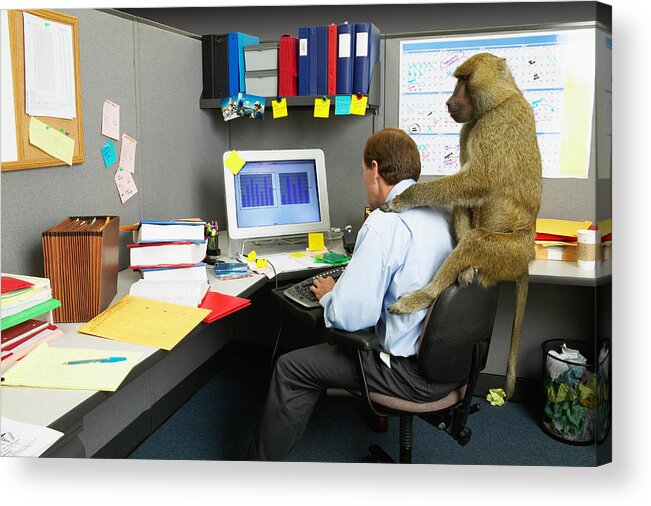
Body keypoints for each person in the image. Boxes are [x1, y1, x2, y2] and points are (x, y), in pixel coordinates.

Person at [246, 127, 454, 461]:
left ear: (374, 169)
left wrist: (331, 294)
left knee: (291, 368)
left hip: (407, 373)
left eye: (362, 172)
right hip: (448, 367)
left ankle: (254, 475)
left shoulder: (385, 223)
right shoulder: (441, 213)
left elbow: (350, 317)